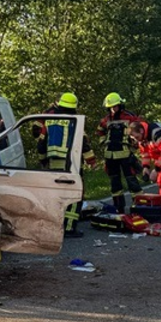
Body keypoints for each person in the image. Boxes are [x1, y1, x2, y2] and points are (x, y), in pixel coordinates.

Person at [38, 92, 97, 238]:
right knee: (75, 195)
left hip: (53, 165)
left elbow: (41, 143)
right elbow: (84, 144)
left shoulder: (49, 121)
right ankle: (69, 228)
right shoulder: (75, 121)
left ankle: (54, 227)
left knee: (56, 195)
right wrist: (91, 161)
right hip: (72, 164)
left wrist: (43, 160)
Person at [96, 92, 143, 212]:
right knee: (115, 184)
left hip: (125, 154)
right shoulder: (106, 120)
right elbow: (100, 130)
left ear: (120, 105)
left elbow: (140, 128)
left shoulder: (129, 117)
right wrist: (103, 142)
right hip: (110, 156)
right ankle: (118, 207)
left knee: (132, 182)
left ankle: (139, 207)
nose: (113, 109)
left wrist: (136, 143)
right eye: (110, 107)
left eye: (115, 106)